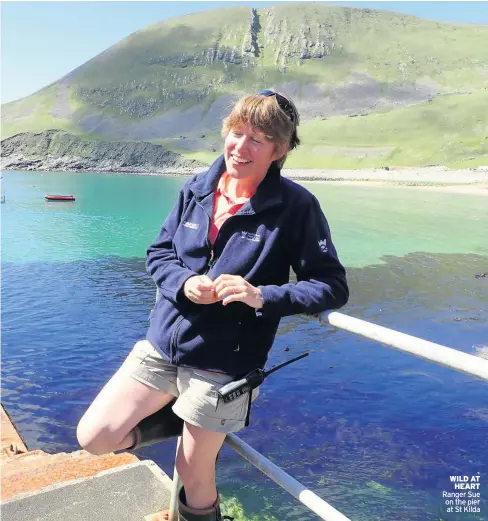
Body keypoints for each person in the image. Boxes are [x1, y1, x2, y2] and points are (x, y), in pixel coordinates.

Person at [77, 89, 349, 521]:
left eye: (257, 139)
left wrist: (263, 296)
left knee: (191, 469)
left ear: (278, 150)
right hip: (163, 344)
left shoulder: (297, 207)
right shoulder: (197, 189)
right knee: (93, 437)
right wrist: (185, 283)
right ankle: (180, 418)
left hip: (225, 362)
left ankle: (200, 441)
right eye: (236, 133)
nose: (241, 147)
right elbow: (158, 253)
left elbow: (332, 286)